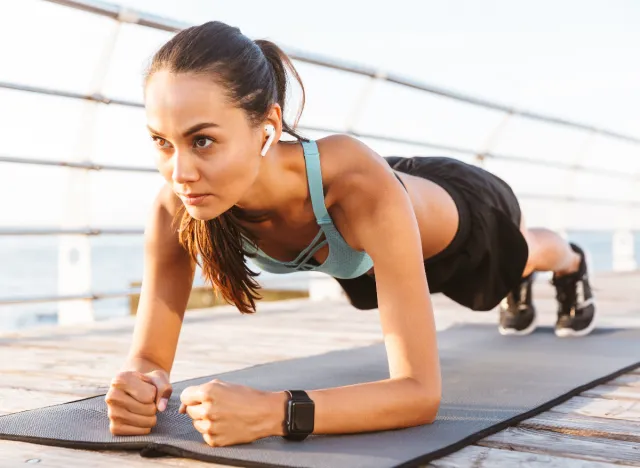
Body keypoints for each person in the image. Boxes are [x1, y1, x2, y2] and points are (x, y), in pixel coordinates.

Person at [104, 21, 596, 446]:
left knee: (523, 256)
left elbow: (419, 393)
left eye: (203, 140)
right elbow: (148, 358)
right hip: (370, 241)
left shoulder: (354, 187)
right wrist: (140, 386)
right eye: (162, 142)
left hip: (462, 218)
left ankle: (569, 260)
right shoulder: (179, 206)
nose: (179, 171)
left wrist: (274, 412)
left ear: (268, 128)